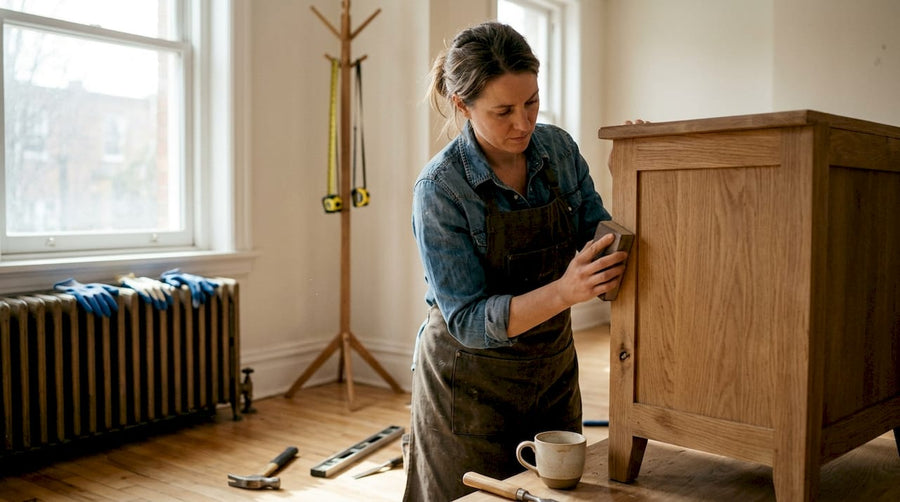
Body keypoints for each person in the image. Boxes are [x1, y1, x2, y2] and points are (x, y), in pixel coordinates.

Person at [404, 21, 629, 501]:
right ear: (462, 105)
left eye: (531, 102)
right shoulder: (440, 190)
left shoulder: (559, 150)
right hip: (468, 390)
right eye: (503, 111)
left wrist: (636, 174)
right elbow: (465, 319)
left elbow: (602, 250)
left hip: (551, 376)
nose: (523, 123)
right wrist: (564, 292)